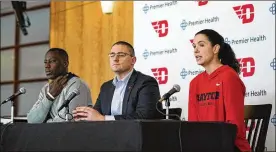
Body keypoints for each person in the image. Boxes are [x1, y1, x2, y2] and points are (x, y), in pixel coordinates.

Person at [188, 29, 251, 152]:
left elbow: (234, 126)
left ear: (215, 49)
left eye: (201, 45)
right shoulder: (194, 83)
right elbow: (193, 125)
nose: (195, 50)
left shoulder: (229, 76)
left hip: (230, 146)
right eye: (194, 46)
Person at [73, 41, 161, 121]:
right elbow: (97, 114)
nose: (115, 59)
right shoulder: (106, 87)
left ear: (133, 60)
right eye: (112, 55)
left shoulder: (146, 83)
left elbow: (144, 116)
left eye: (121, 55)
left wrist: (104, 118)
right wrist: (85, 116)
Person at [27, 48, 92, 123]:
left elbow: (68, 120)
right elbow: (32, 120)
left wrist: (44, 122)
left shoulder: (77, 85)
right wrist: (49, 96)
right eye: (45, 62)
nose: (47, 66)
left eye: (52, 61)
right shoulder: (46, 89)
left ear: (65, 63)